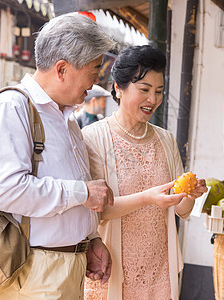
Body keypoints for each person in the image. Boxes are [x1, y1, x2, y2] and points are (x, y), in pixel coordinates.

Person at [0, 13, 116, 299]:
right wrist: (82, 193)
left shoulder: (66, 117)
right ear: (62, 69)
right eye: (94, 68)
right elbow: (3, 189)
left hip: (67, 268)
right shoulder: (12, 107)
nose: (96, 79)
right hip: (34, 271)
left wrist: (91, 240)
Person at [82, 45, 207, 300]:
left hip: (159, 271)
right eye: (145, 90)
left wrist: (190, 195)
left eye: (159, 91)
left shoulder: (166, 140)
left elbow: (181, 210)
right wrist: (148, 198)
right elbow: (97, 211)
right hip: (113, 269)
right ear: (118, 87)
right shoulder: (93, 138)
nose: (153, 100)